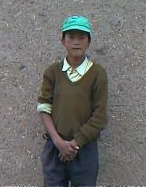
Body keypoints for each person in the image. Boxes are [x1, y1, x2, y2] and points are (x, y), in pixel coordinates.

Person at [37, 15, 108, 186]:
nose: (76, 42)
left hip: (84, 151)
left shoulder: (97, 74)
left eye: (82, 37)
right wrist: (58, 142)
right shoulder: (53, 72)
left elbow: (100, 118)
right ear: (63, 41)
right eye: (71, 37)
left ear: (88, 42)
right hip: (55, 147)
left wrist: (74, 144)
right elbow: (44, 107)